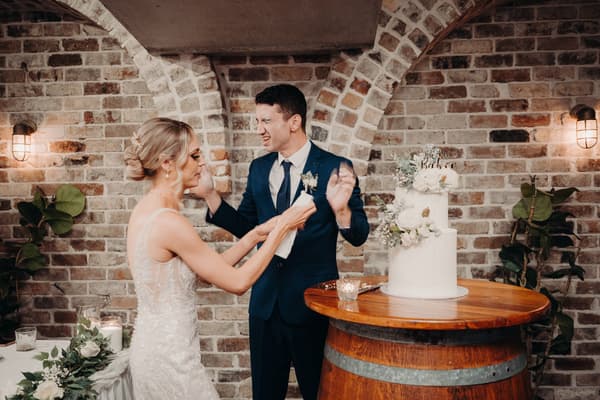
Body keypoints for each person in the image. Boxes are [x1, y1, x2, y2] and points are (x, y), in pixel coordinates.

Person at [192, 84, 370, 399]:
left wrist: (341, 209)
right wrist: (210, 196)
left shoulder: (334, 167)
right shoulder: (259, 169)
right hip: (264, 304)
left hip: (312, 303)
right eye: (256, 122)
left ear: (294, 122)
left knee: (319, 391)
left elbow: (358, 236)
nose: (258, 130)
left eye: (266, 121)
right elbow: (250, 227)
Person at [123, 117, 316, 400]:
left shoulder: (147, 210)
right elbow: (237, 282)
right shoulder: (169, 222)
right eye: (194, 155)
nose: (202, 163)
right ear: (166, 163)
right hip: (171, 360)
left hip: (155, 349)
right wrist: (285, 226)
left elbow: (205, 271)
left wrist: (255, 235)